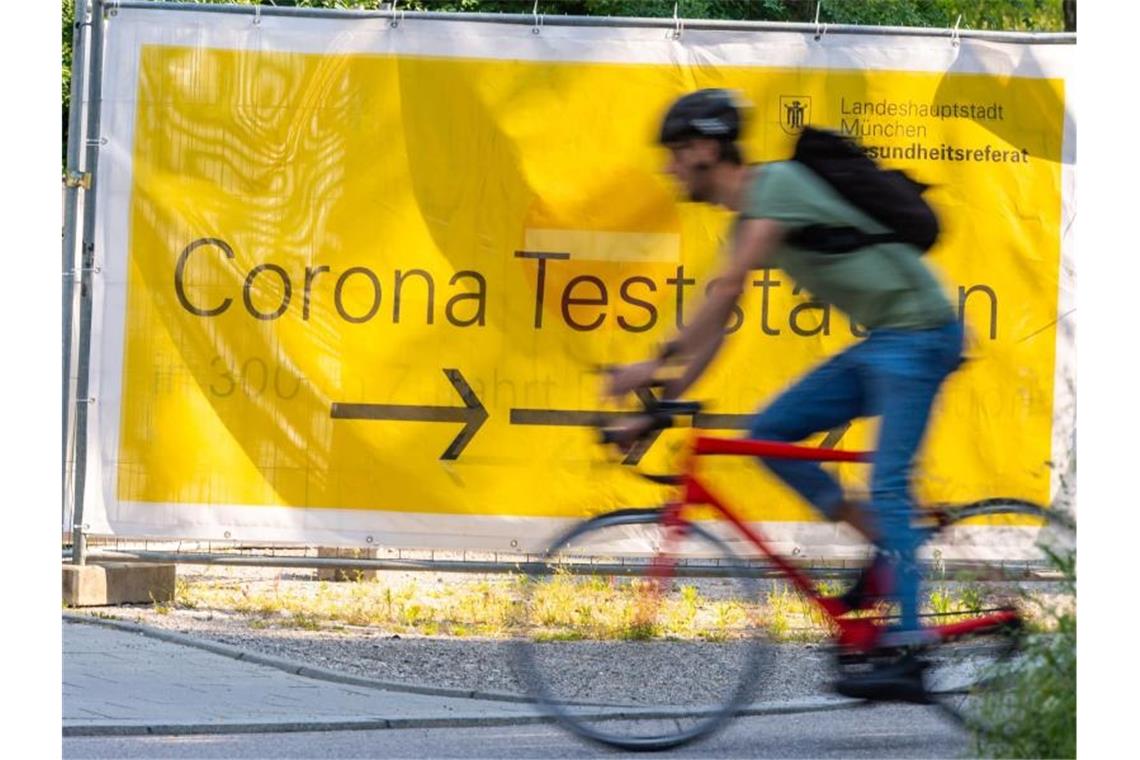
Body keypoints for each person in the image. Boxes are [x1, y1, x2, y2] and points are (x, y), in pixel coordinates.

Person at [604, 88, 964, 701]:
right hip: (885, 340)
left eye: (676, 152)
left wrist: (652, 363)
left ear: (708, 150)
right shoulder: (748, 221)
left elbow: (723, 293)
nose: (667, 166)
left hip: (922, 335)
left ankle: (910, 649)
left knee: (889, 484)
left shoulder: (776, 190)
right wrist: (662, 402)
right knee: (768, 437)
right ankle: (881, 544)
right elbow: (719, 323)